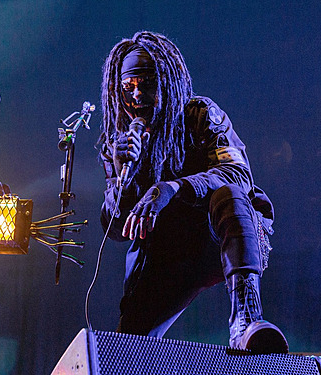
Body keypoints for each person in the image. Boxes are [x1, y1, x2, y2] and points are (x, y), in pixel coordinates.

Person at [98, 30, 288, 354]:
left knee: (228, 193)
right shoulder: (119, 143)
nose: (137, 96)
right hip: (164, 256)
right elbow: (115, 231)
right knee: (128, 348)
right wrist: (122, 181)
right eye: (128, 87)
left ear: (167, 82)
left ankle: (245, 318)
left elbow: (238, 173)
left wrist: (173, 187)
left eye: (147, 84)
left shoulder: (199, 114)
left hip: (212, 238)